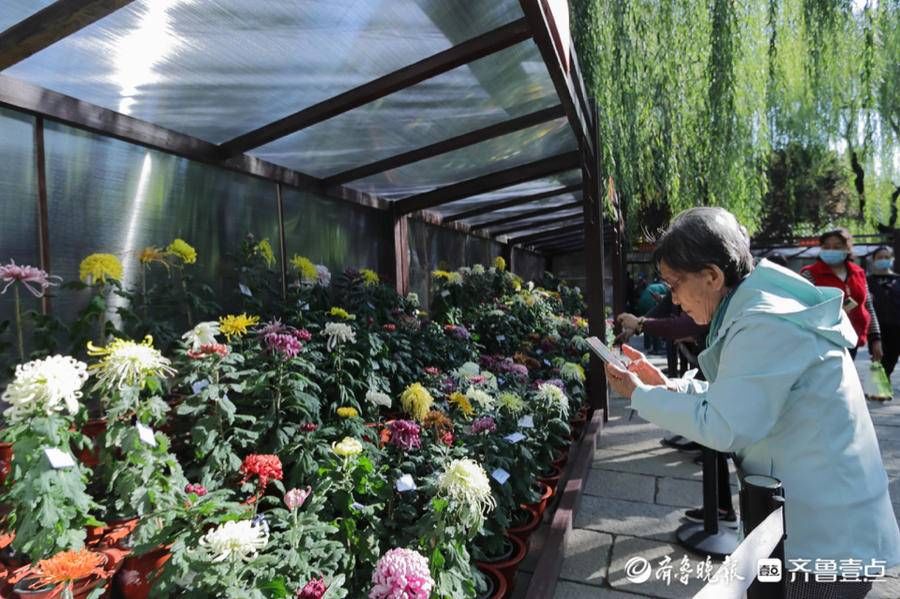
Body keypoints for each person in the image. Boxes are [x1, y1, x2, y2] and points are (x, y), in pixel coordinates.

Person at [605, 207, 900, 599]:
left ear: (712, 275)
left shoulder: (763, 322)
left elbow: (727, 425)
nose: (673, 300)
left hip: (821, 540)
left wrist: (641, 395)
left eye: (673, 284)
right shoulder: (758, 310)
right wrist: (667, 387)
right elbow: (742, 398)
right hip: (809, 520)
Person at [799, 229, 882, 362]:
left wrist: (875, 338)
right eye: (826, 247)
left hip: (853, 337)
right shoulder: (810, 274)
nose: (831, 250)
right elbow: (802, 307)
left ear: (847, 248)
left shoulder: (858, 273)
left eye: (837, 247)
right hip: (824, 340)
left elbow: (868, 305)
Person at [868, 246, 900, 379]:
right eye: (880, 257)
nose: (883, 260)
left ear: (892, 259)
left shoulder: (898, 280)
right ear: (873, 260)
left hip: (897, 327)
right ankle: (878, 388)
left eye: (886, 257)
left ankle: (881, 383)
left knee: (891, 359)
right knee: (878, 357)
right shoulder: (867, 281)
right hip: (876, 328)